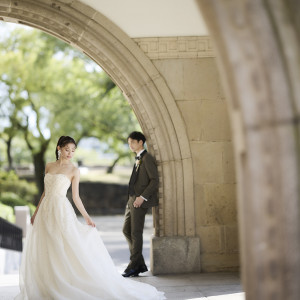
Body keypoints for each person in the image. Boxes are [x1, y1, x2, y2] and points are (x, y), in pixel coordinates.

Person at [16, 136, 165, 300]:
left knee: (63, 246)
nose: (70, 153)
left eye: (73, 151)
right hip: (45, 211)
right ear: (58, 148)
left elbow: (76, 197)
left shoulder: (74, 170)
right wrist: (36, 212)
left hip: (61, 210)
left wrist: (87, 217)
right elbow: (45, 192)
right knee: (46, 246)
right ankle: (47, 285)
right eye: (67, 150)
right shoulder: (49, 166)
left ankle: (63, 284)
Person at [122, 132, 159, 278]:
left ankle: (133, 265)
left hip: (139, 201)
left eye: (132, 142)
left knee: (135, 233)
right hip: (131, 200)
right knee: (126, 230)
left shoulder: (147, 158)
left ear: (140, 142)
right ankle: (139, 263)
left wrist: (142, 197)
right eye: (129, 142)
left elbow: (154, 180)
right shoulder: (138, 158)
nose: (130, 145)